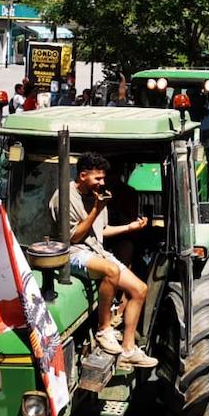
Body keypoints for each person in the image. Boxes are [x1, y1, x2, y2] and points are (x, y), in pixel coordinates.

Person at [51, 153, 156, 368]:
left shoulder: (98, 195)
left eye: (103, 178)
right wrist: (96, 209)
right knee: (111, 271)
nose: (102, 182)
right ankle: (103, 329)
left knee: (140, 289)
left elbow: (102, 231)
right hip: (71, 252)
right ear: (82, 175)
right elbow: (74, 237)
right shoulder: (64, 197)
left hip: (95, 250)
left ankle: (128, 349)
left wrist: (129, 227)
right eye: (98, 178)